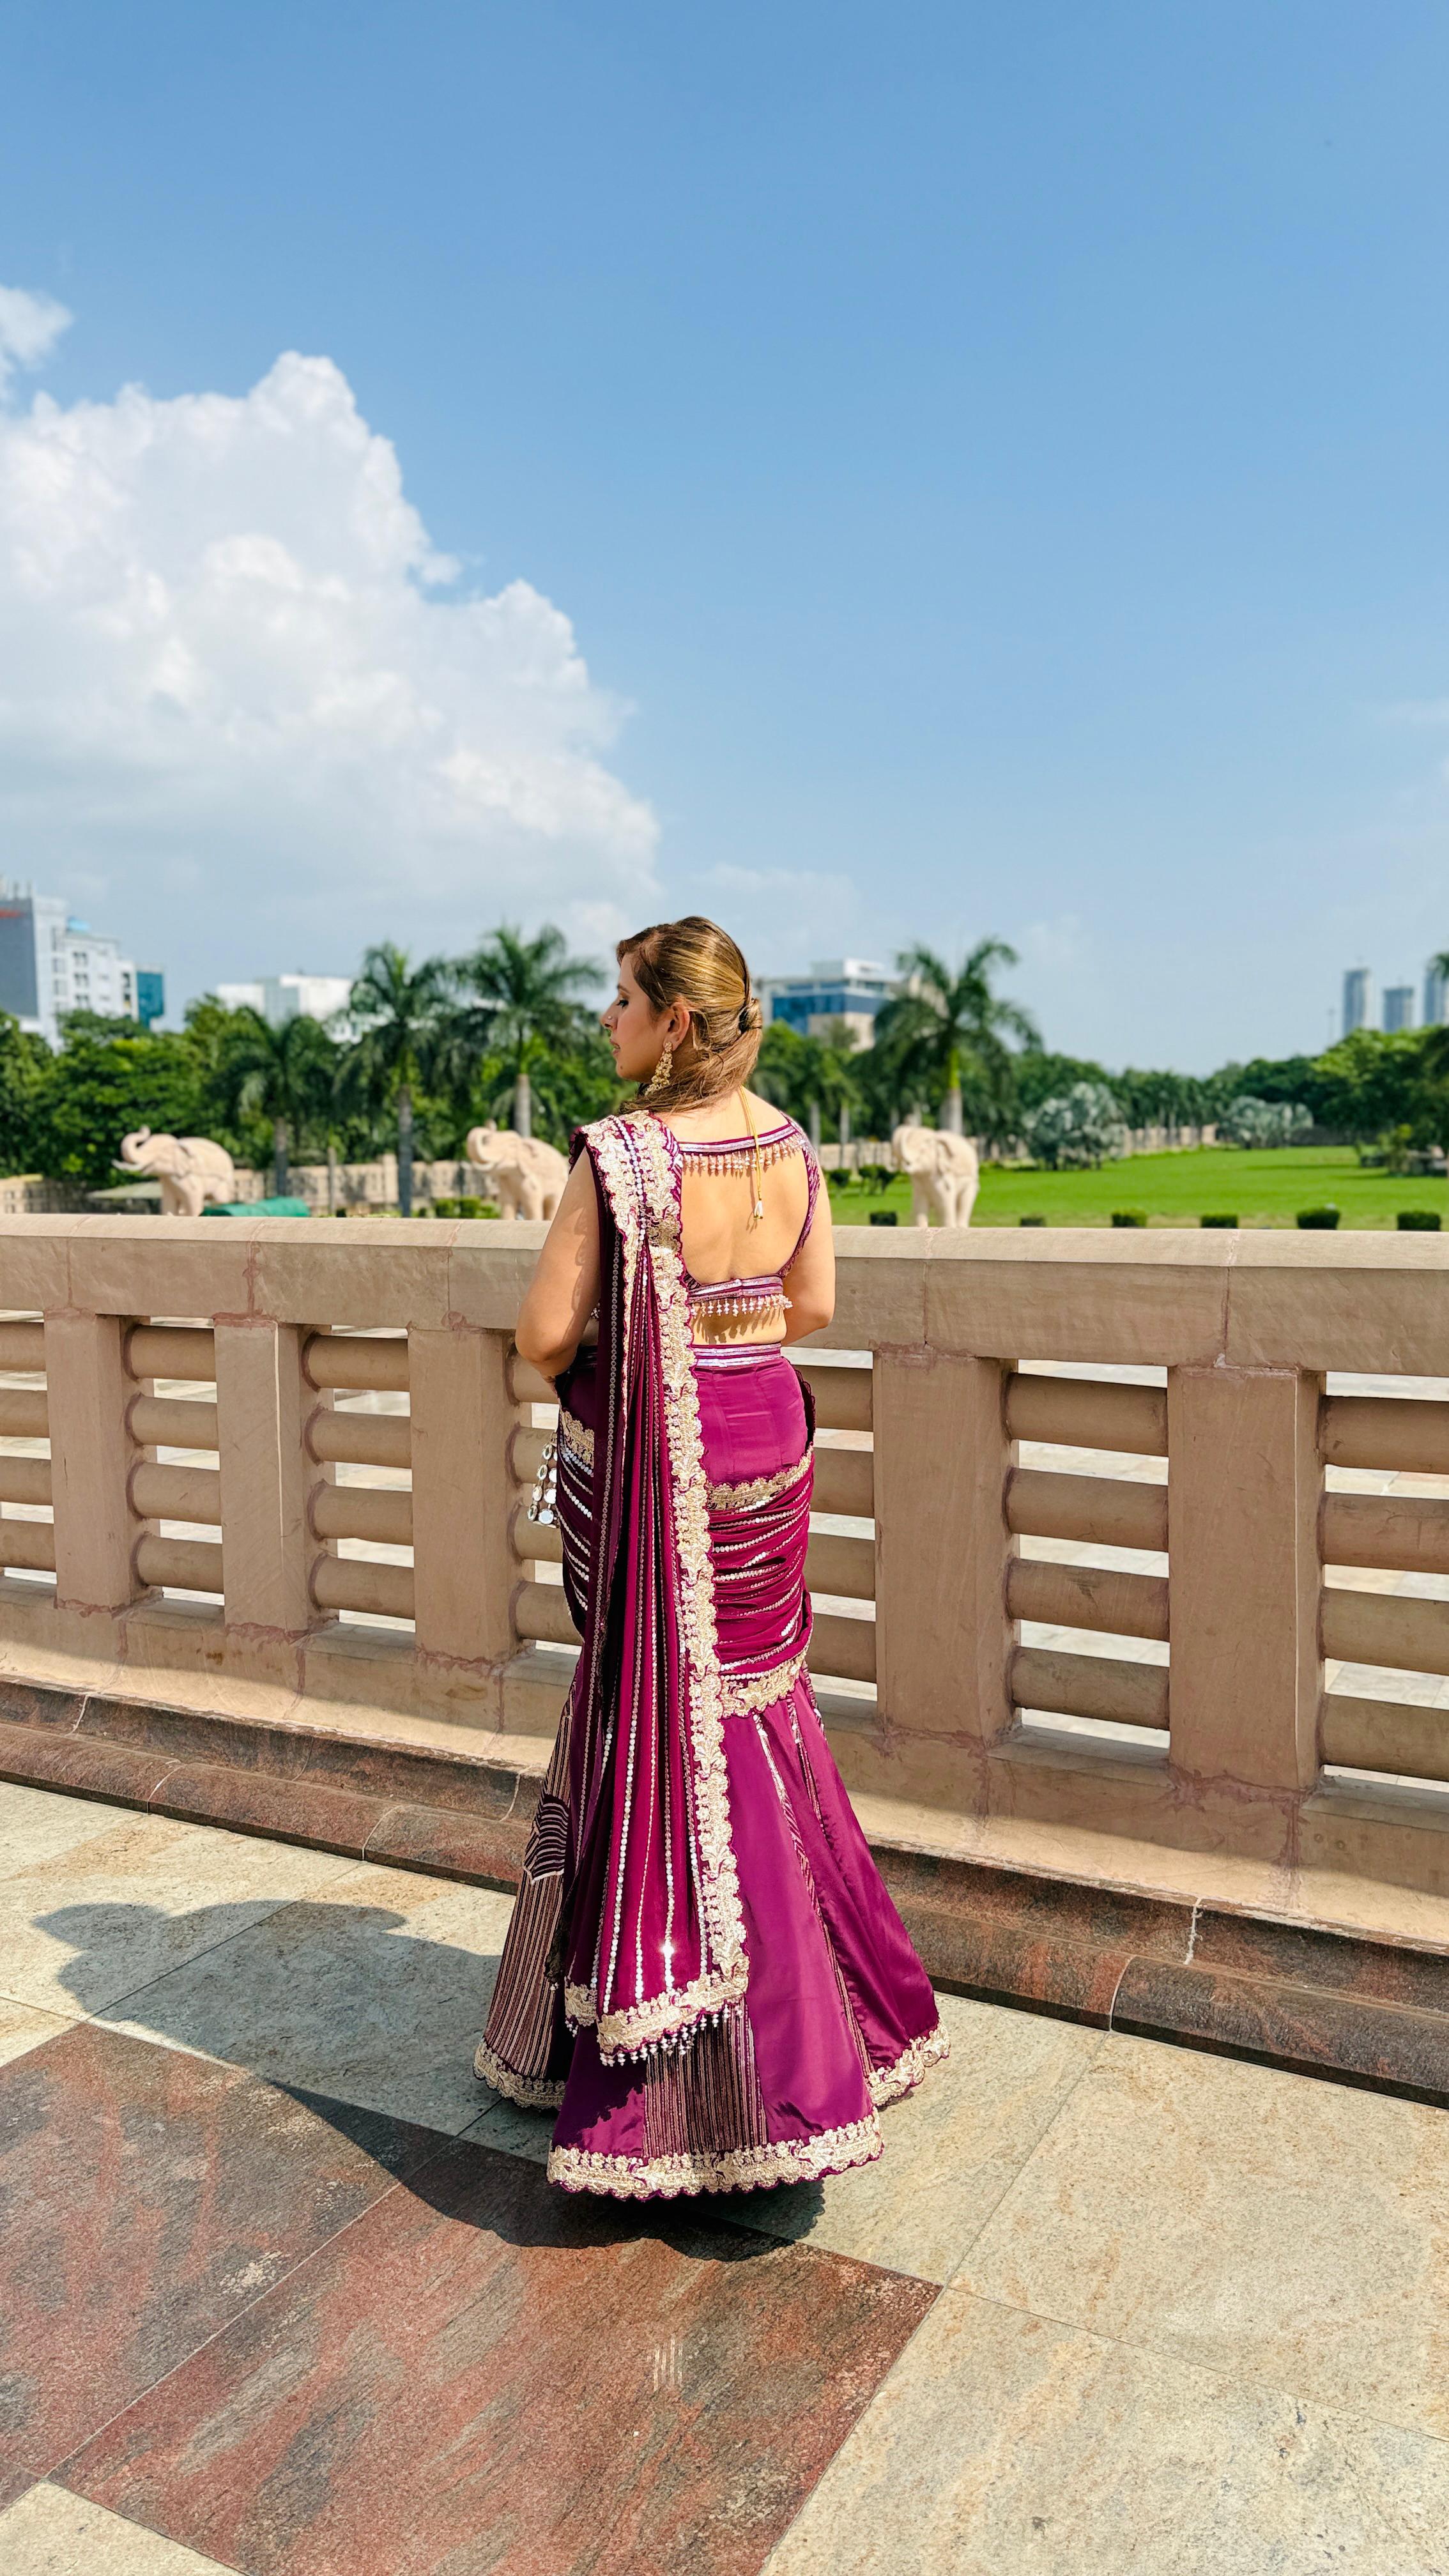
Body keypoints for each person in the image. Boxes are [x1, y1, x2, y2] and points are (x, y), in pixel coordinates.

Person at [475, 916, 946, 2199]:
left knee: (672, 1721)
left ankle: (720, 2085)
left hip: (668, 1459)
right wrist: (718, 1327)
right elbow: (815, 1308)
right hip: (766, 1440)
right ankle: (832, 2013)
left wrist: (649, 1331)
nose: (608, 1025)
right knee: (759, 1708)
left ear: (674, 1021)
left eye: (620, 1003)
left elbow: (540, 1332)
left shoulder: (621, 1157)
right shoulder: (793, 1145)